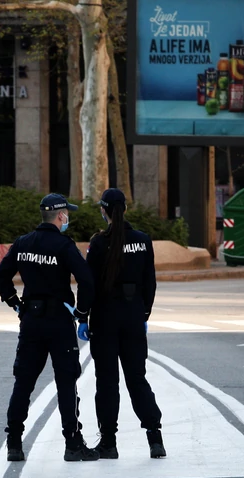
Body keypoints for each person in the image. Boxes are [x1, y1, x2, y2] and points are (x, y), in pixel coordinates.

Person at [0, 193, 99, 463]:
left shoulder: (23, 243)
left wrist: (14, 303)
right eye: (67, 215)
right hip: (59, 323)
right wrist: (82, 312)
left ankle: (14, 442)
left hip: (31, 321)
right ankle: (72, 444)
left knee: (24, 382)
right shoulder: (63, 246)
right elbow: (87, 280)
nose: (68, 219)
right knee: (66, 383)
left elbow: (0, 276)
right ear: (60, 216)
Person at [85, 188, 166, 459]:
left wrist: (82, 316)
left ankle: (109, 442)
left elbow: (88, 285)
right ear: (126, 210)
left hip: (104, 320)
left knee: (107, 383)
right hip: (133, 319)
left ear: (104, 211)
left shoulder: (98, 243)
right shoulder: (143, 241)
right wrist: (144, 314)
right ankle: (155, 438)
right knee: (137, 379)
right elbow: (150, 283)